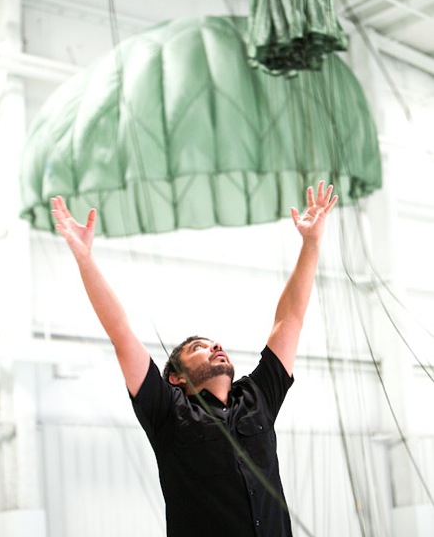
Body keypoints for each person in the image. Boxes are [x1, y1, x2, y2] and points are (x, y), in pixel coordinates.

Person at [51, 180, 338, 537]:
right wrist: (84, 259)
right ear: (177, 377)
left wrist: (311, 243)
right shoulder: (168, 413)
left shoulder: (257, 397)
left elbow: (289, 320)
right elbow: (121, 334)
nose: (215, 345)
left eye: (213, 342)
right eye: (198, 347)